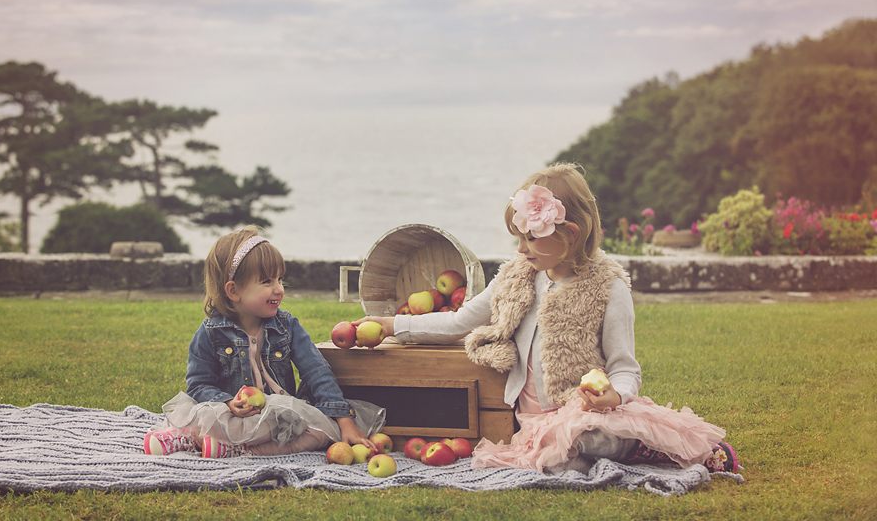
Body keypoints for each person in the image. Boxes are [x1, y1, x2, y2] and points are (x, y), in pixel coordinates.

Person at [356, 163, 738, 474]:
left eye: (531, 239)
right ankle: (599, 452)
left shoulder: (608, 288)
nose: (521, 250)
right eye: (518, 239)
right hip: (532, 421)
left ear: (569, 234)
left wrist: (612, 396)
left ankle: (650, 448)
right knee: (556, 460)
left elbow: (625, 369)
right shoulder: (516, 277)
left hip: (586, 414)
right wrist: (394, 325)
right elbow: (460, 321)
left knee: (587, 438)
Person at [144, 227, 384, 458]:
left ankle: (237, 450)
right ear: (234, 291)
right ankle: (186, 435)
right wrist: (228, 402)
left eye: (280, 279)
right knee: (208, 416)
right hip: (235, 417)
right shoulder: (210, 333)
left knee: (325, 433)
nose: (279, 289)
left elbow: (317, 373)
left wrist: (345, 421)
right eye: (267, 281)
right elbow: (198, 386)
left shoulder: (287, 326)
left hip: (282, 417)